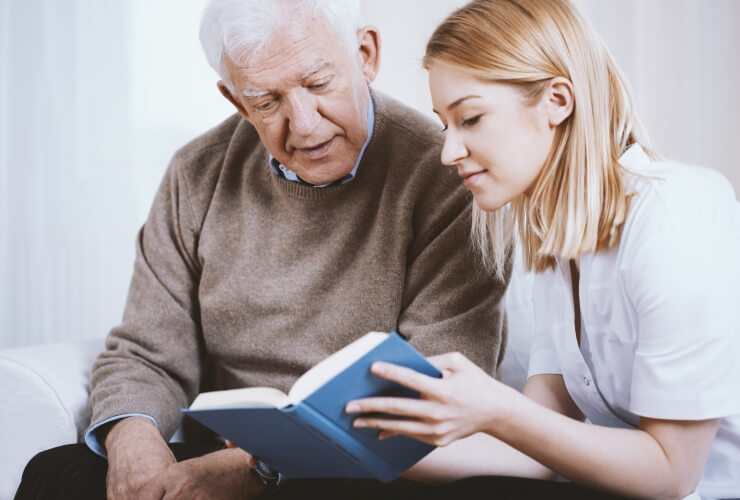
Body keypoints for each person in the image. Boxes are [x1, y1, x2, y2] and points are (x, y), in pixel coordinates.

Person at [15, 1, 510, 498]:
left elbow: (436, 391)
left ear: (365, 54)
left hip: (370, 459)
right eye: (266, 101)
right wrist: (134, 441)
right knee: (54, 473)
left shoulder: (449, 175)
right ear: (236, 101)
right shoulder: (197, 173)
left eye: (318, 84)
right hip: (220, 456)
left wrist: (264, 468)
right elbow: (146, 352)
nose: (305, 125)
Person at [346, 0, 740, 499]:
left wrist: (497, 407)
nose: (449, 152)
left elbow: (672, 473)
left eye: (470, 118)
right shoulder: (558, 247)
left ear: (557, 100)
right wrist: (362, 441)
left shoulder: (677, 216)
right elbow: (536, 451)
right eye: (446, 125)